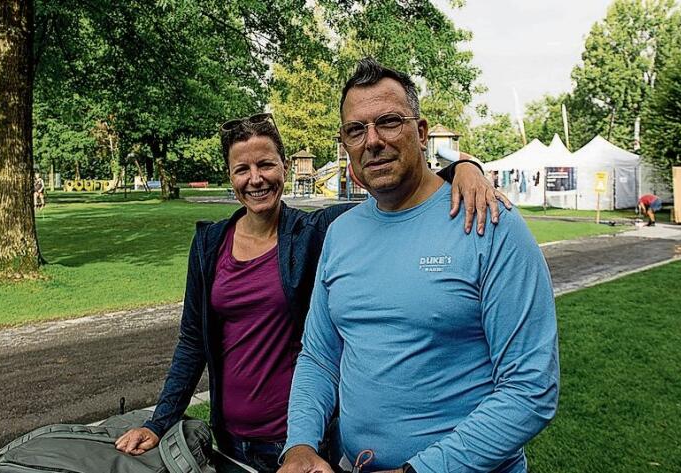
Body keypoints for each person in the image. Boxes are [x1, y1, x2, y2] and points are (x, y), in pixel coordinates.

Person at [113, 112, 511, 472]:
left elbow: (396, 186)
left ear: (284, 167)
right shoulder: (210, 244)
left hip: (301, 442)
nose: (256, 178)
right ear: (230, 175)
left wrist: (463, 169)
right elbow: (191, 342)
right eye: (242, 169)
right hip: (230, 439)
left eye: (266, 164)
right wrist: (159, 421)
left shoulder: (316, 231)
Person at [279, 58, 559, 473]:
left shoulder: (489, 222)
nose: (372, 141)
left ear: (422, 133)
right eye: (356, 130)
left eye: (389, 122)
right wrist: (300, 445)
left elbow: (530, 388)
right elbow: (320, 355)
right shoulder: (341, 233)